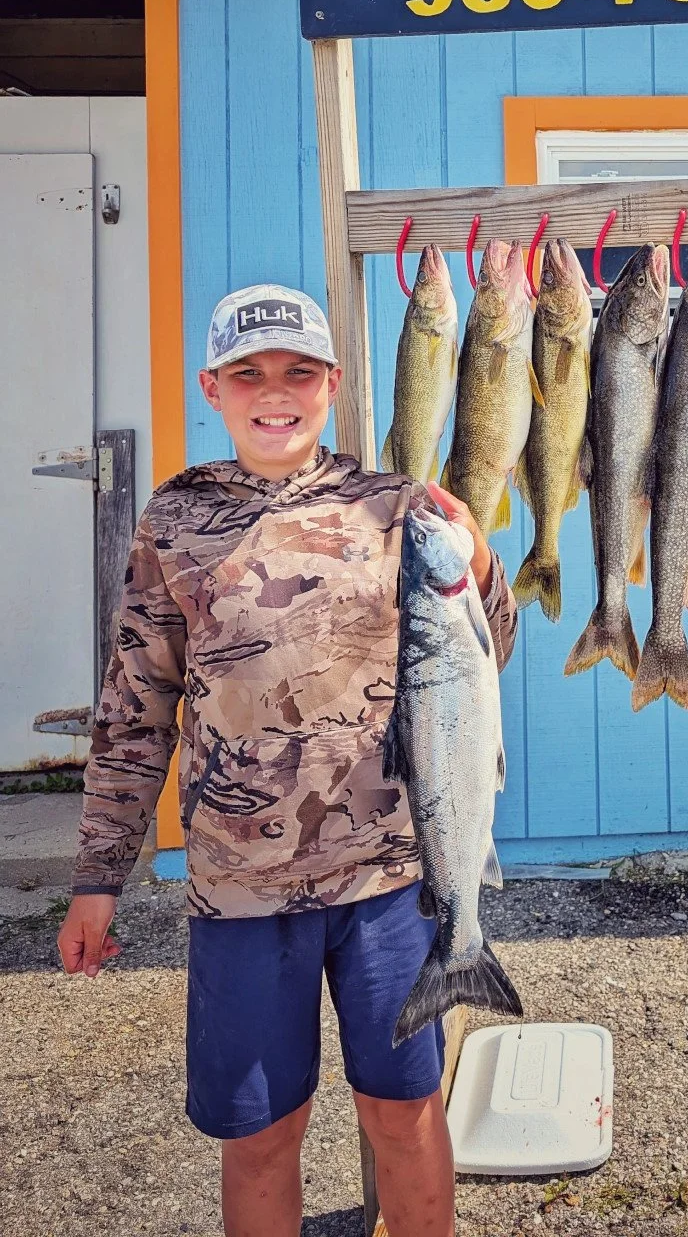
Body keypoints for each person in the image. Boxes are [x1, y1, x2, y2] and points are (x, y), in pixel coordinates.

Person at [57, 283, 517, 1237]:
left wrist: (478, 561)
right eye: (249, 374)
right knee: (261, 1131)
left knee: (404, 1111)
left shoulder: (394, 508)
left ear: (332, 385)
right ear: (213, 389)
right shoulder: (173, 523)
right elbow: (134, 713)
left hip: (390, 876)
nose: (276, 392)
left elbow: (486, 650)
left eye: (298, 372)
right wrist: (98, 878)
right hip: (240, 889)